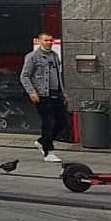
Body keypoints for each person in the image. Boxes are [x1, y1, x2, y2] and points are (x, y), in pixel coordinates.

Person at [21, 32, 67, 163]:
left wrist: (63, 92)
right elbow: (24, 76)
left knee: (63, 123)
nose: (49, 42)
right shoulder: (33, 57)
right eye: (46, 40)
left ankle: (42, 142)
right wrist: (32, 92)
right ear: (40, 42)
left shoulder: (55, 56)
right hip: (42, 95)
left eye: (51, 40)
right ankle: (49, 151)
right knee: (48, 122)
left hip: (56, 94)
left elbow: (58, 76)